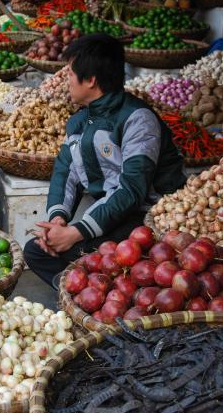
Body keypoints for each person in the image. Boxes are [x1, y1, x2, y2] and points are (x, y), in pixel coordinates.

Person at [24, 33, 186, 288]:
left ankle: (96, 297)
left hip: (146, 216)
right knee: (36, 250)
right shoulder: (79, 121)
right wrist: (57, 221)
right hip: (111, 214)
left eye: (69, 74)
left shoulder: (137, 119)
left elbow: (132, 190)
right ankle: (87, 294)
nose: (65, 80)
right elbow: (65, 172)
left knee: (91, 251)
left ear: (90, 80)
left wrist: (77, 232)